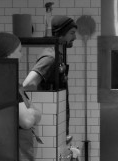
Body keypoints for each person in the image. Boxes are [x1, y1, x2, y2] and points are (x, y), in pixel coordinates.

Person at [0, 32, 43, 161]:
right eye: (19, 51)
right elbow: (26, 120)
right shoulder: (5, 81)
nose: (21, 56)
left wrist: (33, 112)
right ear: (8, 55)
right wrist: (34, 111)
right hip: (15, 160)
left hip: (11, 160)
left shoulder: (6, 81)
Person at [23, 15, 77, 144]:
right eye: (72, 33)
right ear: (60, 35)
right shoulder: (50, 58)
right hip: (50, 126)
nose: (75, 37)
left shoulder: (58, 56)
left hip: (58, 125)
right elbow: (28, 84)